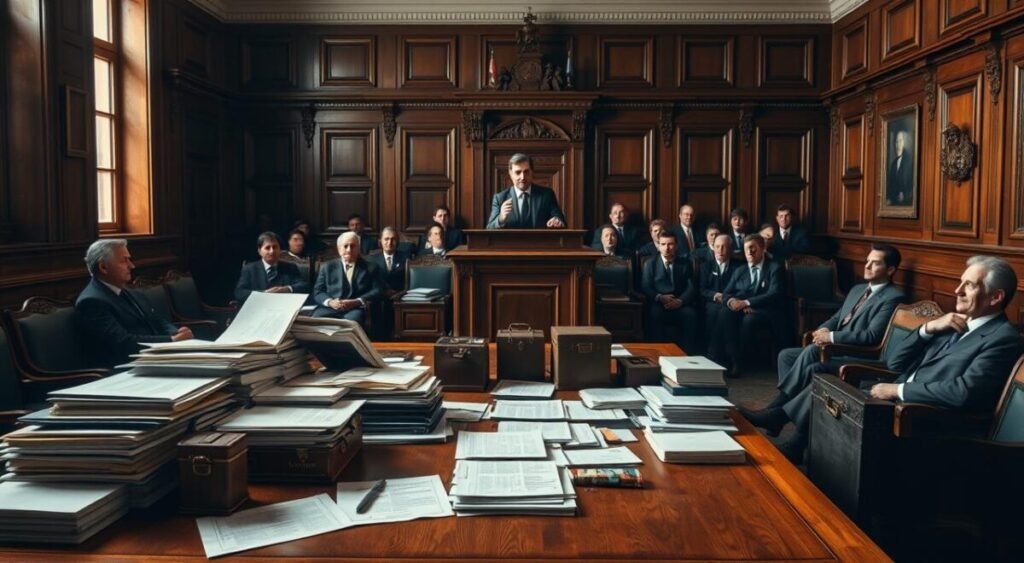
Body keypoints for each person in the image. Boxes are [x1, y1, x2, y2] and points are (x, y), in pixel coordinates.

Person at [747, 255, 1024, 464]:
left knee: (832, 391)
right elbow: (896, 362)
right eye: (959, 282)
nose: (957, 291)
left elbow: (964, 392)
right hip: (899, 398)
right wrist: (929, 328)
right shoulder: (956, 322)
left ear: (996, 297)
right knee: (827, 387)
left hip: (923, 416)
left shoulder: (1002, 338)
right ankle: (794, 440)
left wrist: (897, 390)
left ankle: (791, 438)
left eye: (969, 286)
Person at [742, 244, 905, 421]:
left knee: (812, 352)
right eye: (867, 261)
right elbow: (837, 317)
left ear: (890, 269)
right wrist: (824, 328)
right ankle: (786, 410)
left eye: (875, 263)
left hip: (857, 352)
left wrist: (832, 337)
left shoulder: (893, 297)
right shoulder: (858, 289)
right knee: (786, 356)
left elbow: (871, 337)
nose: (867, 266)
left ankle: (777, 409)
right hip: (836, 347)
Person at [75, 239, 192, 369]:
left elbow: (156, 320)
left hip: (155, 357)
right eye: (124, 261)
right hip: (127, 367)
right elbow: (122, 343)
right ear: (103, 267)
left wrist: (176, 332)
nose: (132, 266)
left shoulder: (131, 292)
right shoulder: (92, 301)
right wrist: (171, 341)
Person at [712, 234, 785, 377]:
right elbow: (726, 293)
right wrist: (731, 302)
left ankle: (741, 360)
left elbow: (774, 294)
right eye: (746, 250)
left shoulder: (774, 268)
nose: (750, 253)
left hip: (766, 312)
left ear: (762, 248)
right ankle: (733, 359)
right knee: (724, 313)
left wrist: (747, 303)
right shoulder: (740, 271)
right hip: (742, 310)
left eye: (753, 248)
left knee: (749, 320)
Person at [641, 231, 698, 353]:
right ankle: (658, 353)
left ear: (676, 246)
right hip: (659, 303)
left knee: (691, 315)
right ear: (659, 246)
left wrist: (680, 301)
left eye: (670, 244)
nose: (667, 248)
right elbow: (646, 287)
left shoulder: (684, 263)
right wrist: (660, 297)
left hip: (679, 302)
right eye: (663, 244)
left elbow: (691, 287)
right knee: (654, 315)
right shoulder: (650, 264)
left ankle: (686, 355)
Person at [312, 232, 383, 325]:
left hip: (355, 309)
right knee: (314, 321)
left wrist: (357, 301)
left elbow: (377, 290)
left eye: (353, 246)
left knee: (351, 324)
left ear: (358, 248)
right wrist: (330, 302)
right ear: (339, 249)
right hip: (330, 308)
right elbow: (318, 291)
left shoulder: (370, 267)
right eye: (345, 246)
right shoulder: (327, 267)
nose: (349, 250)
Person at [486, 153, 566, 229]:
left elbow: (560, 220)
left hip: (540, 243)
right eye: (518, 172)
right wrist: (501, 218)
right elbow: (489, 228)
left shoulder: (547, 195)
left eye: (526, 172)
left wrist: (557, 221)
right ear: (510, 174)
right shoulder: (500, 198)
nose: (523, 177)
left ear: (532, 172)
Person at [234, 232, 310, 304]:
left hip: (283, 307)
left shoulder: (290, 267)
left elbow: (304, 285)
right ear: (259, 251)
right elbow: (239, 293)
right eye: (267, 248)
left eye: (275, 247)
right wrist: (264, 293)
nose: (272, 251)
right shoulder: (250, 269)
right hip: (258, 307)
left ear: (280, 249)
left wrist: (287, 289)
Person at [367, 226, 409, 340]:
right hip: (378, 297)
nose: (389, 242)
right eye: (386, 239)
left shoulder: (406, 258)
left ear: (398, 241)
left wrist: (399, 293)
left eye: (393, 239)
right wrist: (383, 291)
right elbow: (370, 280)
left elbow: (409, 280)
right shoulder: (371, 259)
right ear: (380, 241)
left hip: (399, 296)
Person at [886, 130, 913, 206]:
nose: (897, 144)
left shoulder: (909, 161)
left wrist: (904, 195)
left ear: (904, 143)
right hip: (894, 202)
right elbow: (891, 184)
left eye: (900, 141)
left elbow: (912, 185)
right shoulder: (894, 163)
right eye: (896, 142)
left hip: (906, 203)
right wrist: (890, 199)